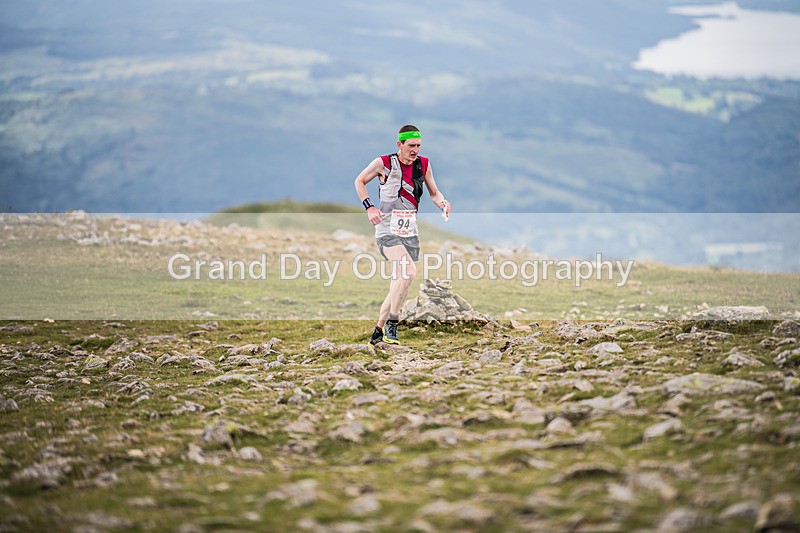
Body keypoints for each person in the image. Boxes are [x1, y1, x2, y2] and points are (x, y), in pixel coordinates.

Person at [354, 125, 451, 345]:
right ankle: (393, 324)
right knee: (408, 272)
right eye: (411, 146)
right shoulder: (384, 163)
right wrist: (369, 207)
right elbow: (359, 181)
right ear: (400, 145)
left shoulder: (423, 165)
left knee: (399, 282)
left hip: (409, 231)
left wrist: (443, 203)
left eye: (418, 145)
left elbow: (434, 193)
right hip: (386, 229)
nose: (415, 150)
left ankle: (378, 332)